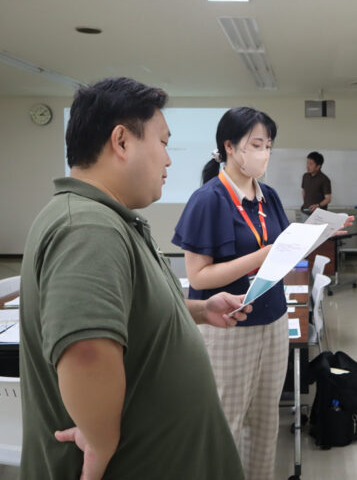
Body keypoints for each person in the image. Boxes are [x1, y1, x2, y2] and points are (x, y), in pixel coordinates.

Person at [19, 77, 251, 480]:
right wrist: (101, 440)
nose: (169, 160)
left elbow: (130, 309)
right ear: (122, 141)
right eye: (163, 142)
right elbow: (87, 350)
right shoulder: (87, 227)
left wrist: (199, 310)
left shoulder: (105, 220)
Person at [172, 107, 290, 480]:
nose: (264, 153)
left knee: (265, 421)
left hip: (274, 319)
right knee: (226, 421)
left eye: (268, 145)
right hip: (229, 326)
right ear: (230, 147)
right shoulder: (208, 199)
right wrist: (262, 255)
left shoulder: (268, 196)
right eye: (256, 145)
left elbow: (281, 248)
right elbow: (199, 276)